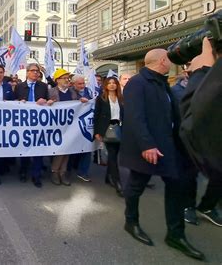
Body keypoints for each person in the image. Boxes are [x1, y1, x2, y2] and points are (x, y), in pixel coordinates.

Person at [120, 48, 204, 260]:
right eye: (170, 59)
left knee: (177, 185)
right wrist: (147, 144)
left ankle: (175, 234)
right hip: (147, 148)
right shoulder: (137, 83)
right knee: (136, 186)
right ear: (163, 60)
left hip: (169, 146)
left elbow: (172, 115)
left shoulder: (162, 82)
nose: (172, 62)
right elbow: (135, 117)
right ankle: (131, 222)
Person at [180, 37, 222, 227]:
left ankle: (207, 205)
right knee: (189, 176)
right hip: (187, 143)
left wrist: (202, 72)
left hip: (207, 141)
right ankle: (187, 206)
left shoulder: (210, 81)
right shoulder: (176, 89)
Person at [14, 63, 50, 188]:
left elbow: (50, 101)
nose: (36, 73)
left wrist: (45, 101)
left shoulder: (44, 86)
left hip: (38, 123)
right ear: (27, 72)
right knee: (24, 149)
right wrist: (19, 102)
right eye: (33, 70)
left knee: (38, 150)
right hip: (23, 123)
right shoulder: (19, 87)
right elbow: (12, 103)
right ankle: (23, 171)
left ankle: (36, 175)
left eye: (38, 71)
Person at [94, 77, 124, 197]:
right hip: (107, 129)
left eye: (114, 83)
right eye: (109, 83)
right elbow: (96, 116)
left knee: (115, 154)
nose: (112, 85)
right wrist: (97, 132)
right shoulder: (101, 99)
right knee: (112, 155)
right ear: (105, 85)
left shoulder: (121, 98)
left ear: (117, 85)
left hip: (120, 128)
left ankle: (108, 177)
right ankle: (117, 183)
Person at [48, 69, 73, 186]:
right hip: (56, 126)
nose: (68, 80)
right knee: (59, 149)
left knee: (67, 150)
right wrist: (48, 103)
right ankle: (54, 171)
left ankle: (63, 172)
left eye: (68, 78)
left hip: (70, 126)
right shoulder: (51, 92)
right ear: (57, 80)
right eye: (65, 78)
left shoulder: (73, 92)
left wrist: (83, 101)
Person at [68, 74, 93, 182]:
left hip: (86, 124)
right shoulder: (69, 92)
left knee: (87, 148)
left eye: (83, 83)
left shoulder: (89, 91)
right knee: (72, 149)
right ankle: (68, 169)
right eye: (79, 84)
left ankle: (83, 171)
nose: (82, 85)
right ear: (73, 84)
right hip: (72, 126)